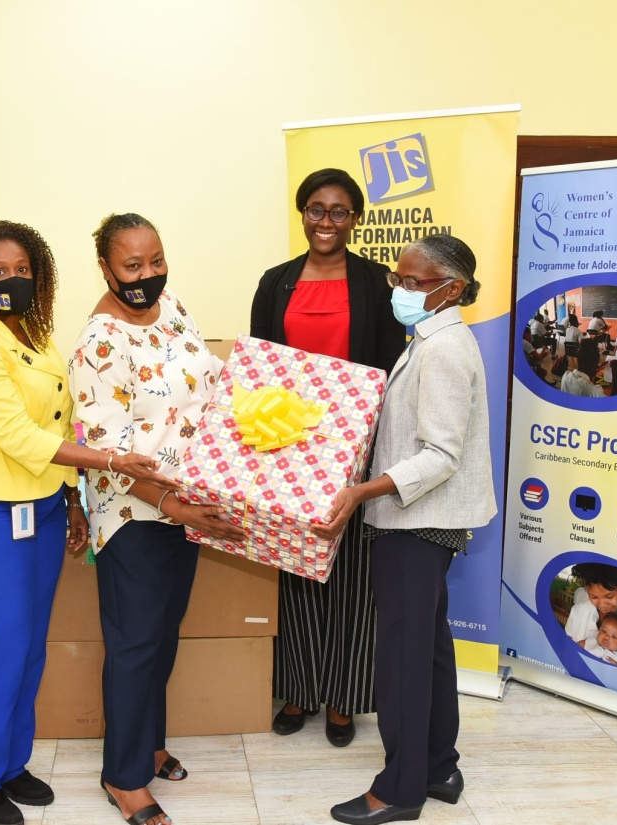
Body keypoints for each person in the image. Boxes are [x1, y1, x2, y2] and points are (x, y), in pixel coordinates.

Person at [0, 219, 176, 825]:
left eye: (22, 270)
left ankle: (11, 765)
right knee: (2, 649)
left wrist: (72, 499)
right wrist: (111, 461)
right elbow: (19, 436)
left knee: (28, 650)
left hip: (40, 510)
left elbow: (62, 421)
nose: (13, 280)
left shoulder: (34, 336)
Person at [70, 213, 247, 825]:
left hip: (187, 502)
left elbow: (204, 385)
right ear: (106, 269)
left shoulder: (171, 305)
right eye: (132, 267)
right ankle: (123, 777)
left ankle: (149, 743)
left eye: (156, 261)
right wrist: (171, 503)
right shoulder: (99, 342)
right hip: (135, 513)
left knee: (162, 634)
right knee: (134, 644)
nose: (148, 276)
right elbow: (106, 446)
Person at [313, 234, 496, 825]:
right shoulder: (435, 339)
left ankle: (399, 788)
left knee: (402, 656)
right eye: (399, 279)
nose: (402, 291)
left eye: (415, 283)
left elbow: (441, 455)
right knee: (430, 649)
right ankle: (438, 766)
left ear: (453, 288)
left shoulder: (442, 349)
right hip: (425, 522)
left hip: (417, 523)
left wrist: (364, 490)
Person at [250, 167, 406, 746]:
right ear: (303, 213)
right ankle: (297, 688)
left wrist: (353, 435)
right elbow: (260, 368)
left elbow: (389, 370)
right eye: (316, 209)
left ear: (355, 219)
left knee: (351, 574)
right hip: (286, 447)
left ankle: (343, 698)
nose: (326, 222)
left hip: (356, 450)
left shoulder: (377, 283)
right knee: (294, 565)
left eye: (339, 211)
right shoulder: (276, 282)